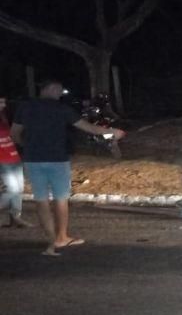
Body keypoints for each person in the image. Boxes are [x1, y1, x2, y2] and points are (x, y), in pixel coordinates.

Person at [10, 80, 125, 256]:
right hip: (57, 159)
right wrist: (112, 132)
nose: (60, 94)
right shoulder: (61, 109)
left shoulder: (25, 107)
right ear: (50, 88)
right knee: (60, 199)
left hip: (33, 160)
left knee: (41, 200)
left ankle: (50, 240)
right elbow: (89, 128)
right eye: (58, 91)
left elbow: (15, 133)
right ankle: (61, 237)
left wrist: (28, 146)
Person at [0, 97, 32, 228]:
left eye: (4, 102)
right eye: (0, 102)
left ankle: (16, 218)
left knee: (19, 190)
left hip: (14, 157)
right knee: (12, 190)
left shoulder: (3, 117)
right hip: (2, 160)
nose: (3, 105)